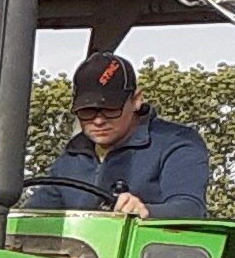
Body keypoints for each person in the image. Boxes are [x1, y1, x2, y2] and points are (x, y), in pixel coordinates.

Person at [29, 52, 213, 218]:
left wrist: (144, 210)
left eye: (110, 109)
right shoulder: (71, 157)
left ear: (136, 100)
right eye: (87, 111)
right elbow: (34, 216)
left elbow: (190, 208)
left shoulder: (177, 143)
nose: (98, 121)